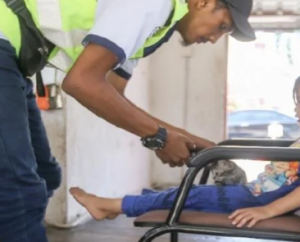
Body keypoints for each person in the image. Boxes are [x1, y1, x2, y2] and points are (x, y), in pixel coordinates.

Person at [0, 0, 255, 242]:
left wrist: (201, 146)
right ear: (205, 0)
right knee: (18, 188)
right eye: (222, 26)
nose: (214, 39)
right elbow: (82, 82)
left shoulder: (156, 27)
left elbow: (112, 93)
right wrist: (160, 136)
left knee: (45, 174)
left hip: (14, 61)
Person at [69, 76, 300, 229]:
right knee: (188, 193)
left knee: (192, 196)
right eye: (296, 101)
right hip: (254, 192)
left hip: (257, 199)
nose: (295, 109)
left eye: (299, 102)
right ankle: (126, 204)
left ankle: (111, 206)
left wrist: (267, 211)